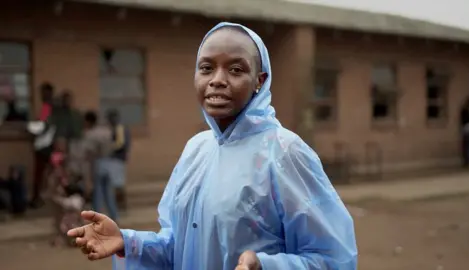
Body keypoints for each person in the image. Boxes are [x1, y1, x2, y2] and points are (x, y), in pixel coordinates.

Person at [68, 22, 357, 270]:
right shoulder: (197, 150)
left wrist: (266, 265)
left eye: (235, 69)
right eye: (206, 68)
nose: (217, 80)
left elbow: (333, 259)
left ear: (260, 81)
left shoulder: (284, 152)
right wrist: (129, 241)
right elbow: (176, 247)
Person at [83, 111, 119, 222]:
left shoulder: (90, 134)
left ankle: (97, 218)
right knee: (109, 193)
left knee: (97, 193)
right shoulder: (106, 131)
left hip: (98, 162)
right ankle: (114, 216)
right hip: (108, 162)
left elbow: (89, 152)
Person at [30, 82, 55, 208]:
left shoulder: (47, 107)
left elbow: (42, 126)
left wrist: (31, 128)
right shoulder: (50, 107)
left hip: (45, 146)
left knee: (42, 174)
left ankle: (40, 199)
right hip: (47, 146)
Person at [106, 109, 130, 211]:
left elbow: (120, 143)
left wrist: (108, 148)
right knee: (118, 183)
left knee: (118, 183)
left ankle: (122, 206)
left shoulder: (119, 128)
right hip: (119, 158)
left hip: (117, 158)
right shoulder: (119, 127)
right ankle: (121, 206)